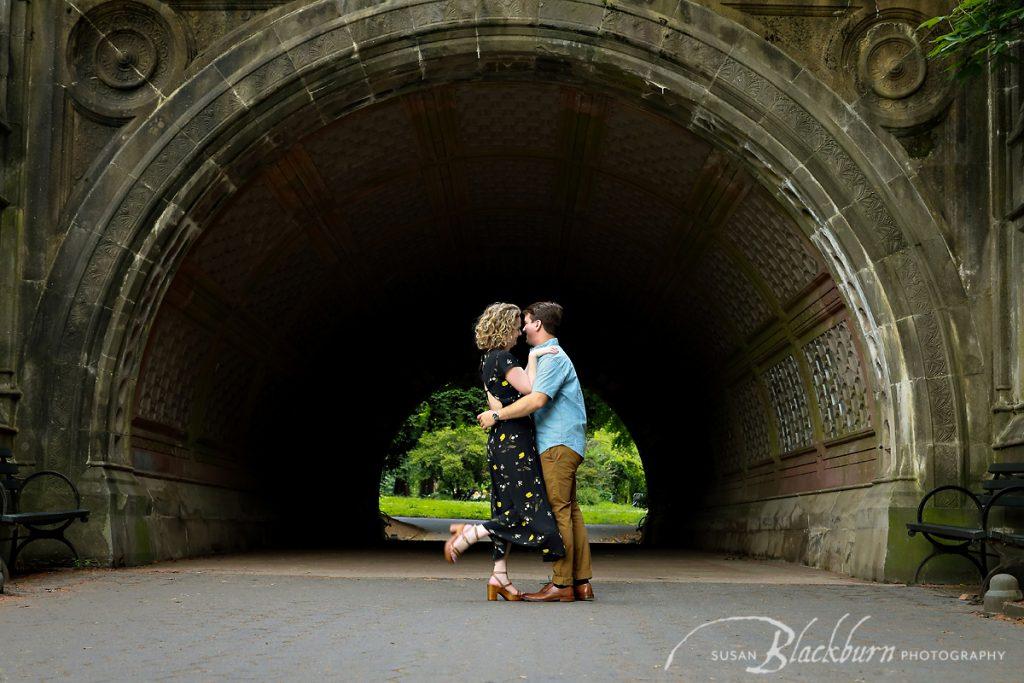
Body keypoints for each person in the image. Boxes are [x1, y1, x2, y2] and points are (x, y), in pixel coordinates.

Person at [443, 303, 566, 602]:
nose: (519, 331)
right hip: (515, 441)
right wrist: (536, 356)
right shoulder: (504, 358)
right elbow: (531, 388)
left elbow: (496, 406)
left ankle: (499, 575)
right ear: (504, 328)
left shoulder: (487, 360)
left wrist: (528, 361)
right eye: (514, 325)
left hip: (499, 442)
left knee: (504, 506)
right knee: (532, 513)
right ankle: (471, 534)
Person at [477, 301, 592, 603]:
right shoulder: (543, 356)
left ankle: (562, 584)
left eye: (525, 322)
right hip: (564, 441)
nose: (522, 328)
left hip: (557, 443)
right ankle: (581, 583)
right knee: (571, 510)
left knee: (558, 511)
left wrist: (497, 416)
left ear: (537, 324)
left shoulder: (552, 358)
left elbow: (535, 399)